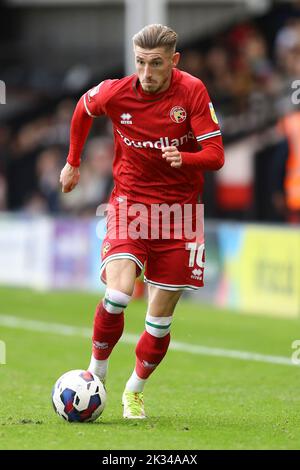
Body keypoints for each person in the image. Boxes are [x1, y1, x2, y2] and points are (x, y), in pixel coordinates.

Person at [60, 24, 224, 419]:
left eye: (156, 64)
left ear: (174, 61)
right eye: (140, 63)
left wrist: (184, 157)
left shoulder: (192, 92)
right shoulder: (117, 91)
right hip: (130, 205)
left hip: (180, 216)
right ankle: (96, 372)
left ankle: (134, 390)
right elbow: (83, 108)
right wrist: (72, 161)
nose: (147, 73)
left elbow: (216, 155)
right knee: (117, 295)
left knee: (158, 323)